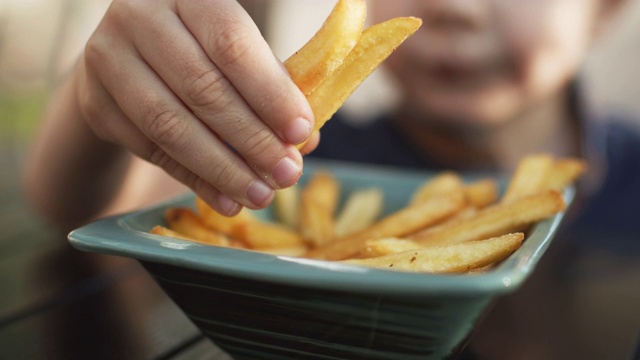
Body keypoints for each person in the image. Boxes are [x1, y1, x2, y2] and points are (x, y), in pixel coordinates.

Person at [23, 0, 640, 358]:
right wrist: (94, 100)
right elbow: (80, 208)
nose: (456, 7)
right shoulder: (300, 154)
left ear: (604, 10)